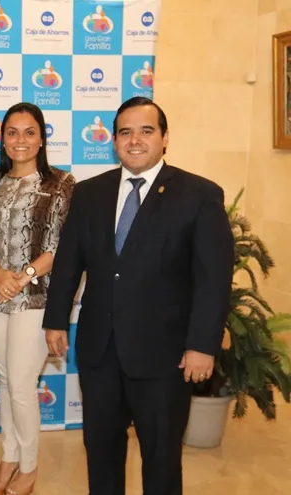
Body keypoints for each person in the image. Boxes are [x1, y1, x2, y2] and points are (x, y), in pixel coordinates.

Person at [43, 97, 234, 495]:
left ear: (165, 139)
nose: (135, 140)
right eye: (125, 132)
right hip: (100, 351)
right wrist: (56, 318)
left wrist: (202, 345)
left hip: (165, 356)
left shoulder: (199, 195)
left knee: (161, 459)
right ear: (114, 140)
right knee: (101, 452)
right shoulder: (91, 192)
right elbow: (68, 261)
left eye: (146, 131)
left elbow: (213, 278)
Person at [0, 102, 75, 495]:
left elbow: (62, 245)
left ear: (42, 137)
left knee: (20, 385)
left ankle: (29, 466)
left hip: (36, 298)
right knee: (5, 379)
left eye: (29, 132)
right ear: (2, 139)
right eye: (12, 132)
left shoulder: (61, 184)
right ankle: (9, 458)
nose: (20, 140)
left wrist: (24, 276)